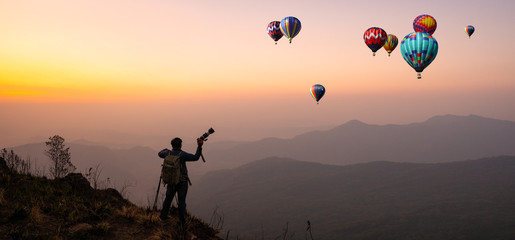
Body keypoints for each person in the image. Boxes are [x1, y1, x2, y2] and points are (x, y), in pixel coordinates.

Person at [158, 137, 203, 226]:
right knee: (181, 202)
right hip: (182, 182)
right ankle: (182, 222)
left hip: (171, 181)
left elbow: (159, 153)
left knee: (168, 199)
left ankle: (163, 216)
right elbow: (196, 157)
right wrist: (199, 146)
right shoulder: (182, 155)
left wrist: (166, 149)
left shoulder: (167, 153)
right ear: (180, 145)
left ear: (172, 145)